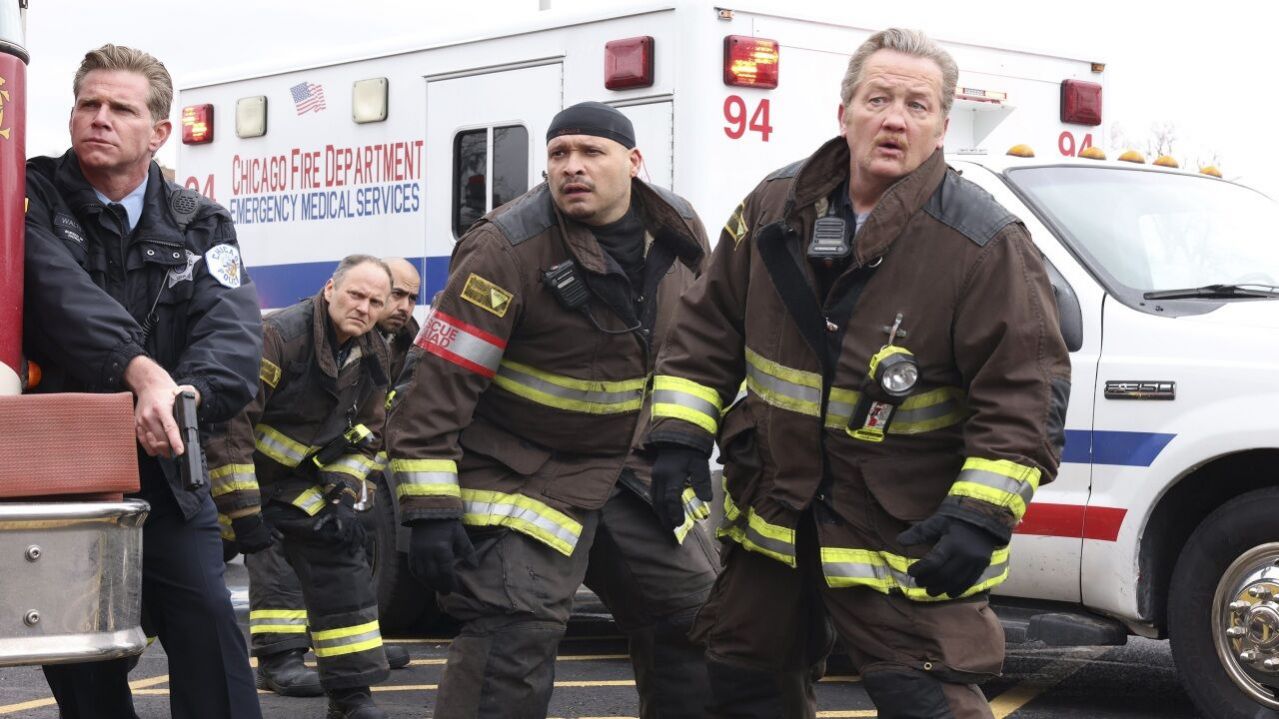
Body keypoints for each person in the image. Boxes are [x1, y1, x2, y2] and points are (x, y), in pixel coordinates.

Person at [645, 29, 1072, 719]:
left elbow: (1024, 392)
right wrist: (678, 439)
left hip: (902, 531)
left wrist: (979, 515)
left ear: (942, 126)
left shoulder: (982, 241)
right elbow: (705, 330)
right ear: (843, 113)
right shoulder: (773, 207)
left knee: (924, 698)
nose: (894, 119)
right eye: (877, 99)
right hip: (775, 515)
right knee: (744, 682)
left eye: (917, 105)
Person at [387, 102, 720, 719]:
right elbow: (435, 387)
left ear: (634, 162)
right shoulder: (504, 247)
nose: (572, 167)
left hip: (629, 466)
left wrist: (684, 440)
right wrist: (428, 510)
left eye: (591, 152)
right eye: (559, 154)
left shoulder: (677, 230)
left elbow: (700, 344)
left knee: (698, 618)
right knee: (512, 630)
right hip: (523, 472)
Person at [21, 44, 263, 718]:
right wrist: (143, 371)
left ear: (158, 132)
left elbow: (233, 335)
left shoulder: (201, 221)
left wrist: (187, 396)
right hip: (63, 471)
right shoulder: (28, 196)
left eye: (120, 109)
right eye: (88, 104)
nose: (99, 118)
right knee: (83, 662)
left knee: (209, 629)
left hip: (165, 462)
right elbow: (58, 294)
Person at [206, 255, 395, 719]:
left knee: (340, 555)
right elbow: (230, 429)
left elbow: (368, 434)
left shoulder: (374, 351)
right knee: (181, 580)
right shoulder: (278, 337)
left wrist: (343, 500)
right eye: (355, 294)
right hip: (223, 483)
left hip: (289, 484)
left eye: (375, 302)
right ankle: (106, 676)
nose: (363, 308)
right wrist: (244, 516)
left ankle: (351, 698)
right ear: (330, 289)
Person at [378, 257, 422, 382]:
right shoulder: (345, 338)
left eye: (412, 298)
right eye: (397, 294)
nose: (405, 307)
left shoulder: (412, 344)